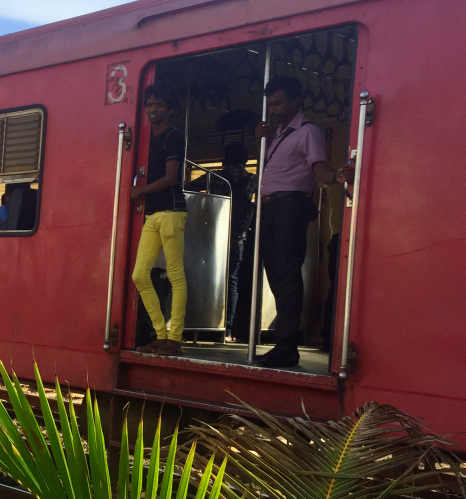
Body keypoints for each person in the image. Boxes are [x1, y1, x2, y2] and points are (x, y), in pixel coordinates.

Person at [252, 75, 354, 368]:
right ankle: (284, 342)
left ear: (296, 101)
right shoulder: (277, 132)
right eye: (270, 103)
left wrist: (336, 176)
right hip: (270, 207)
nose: (273, 108)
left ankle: (286, 346)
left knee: (286, 273)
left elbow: (318, 166)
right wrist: (265, 139)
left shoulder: (307, 131)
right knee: (274, 272)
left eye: (279, 102)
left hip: (289, 206)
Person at [130, 84, 188, 356]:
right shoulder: (147, 138)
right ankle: (161, 333)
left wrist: (140, 190)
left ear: (171, 109)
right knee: (140, 274)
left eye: (159, 105)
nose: (153, 109)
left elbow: (170, 178)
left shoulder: (173, 136)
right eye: (150, 105)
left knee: (175, 274)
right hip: (152, 213)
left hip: (172, 211)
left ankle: (174, 337)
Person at [187, 141, 255, 340]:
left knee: (207, 278)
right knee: (232, 282)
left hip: (211, 238)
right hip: (238, 237)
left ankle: (202, 323)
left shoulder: (214, 177)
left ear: (225, 160)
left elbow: (188, 187)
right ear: (245, 160)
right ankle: (227, 330)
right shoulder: (252, 179)